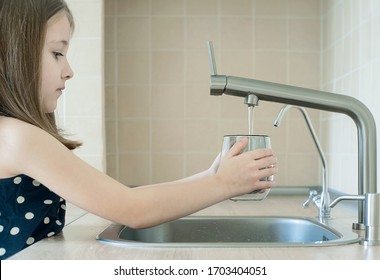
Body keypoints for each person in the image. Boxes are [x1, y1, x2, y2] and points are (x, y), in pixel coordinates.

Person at [0, 0, 277, 259]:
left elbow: (127, 197)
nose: (69, 70)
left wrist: (209, 176)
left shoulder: (13, 135)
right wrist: (223, 184)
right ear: (14, 54)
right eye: (57, 53)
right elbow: (133, 209)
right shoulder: (19, 138)